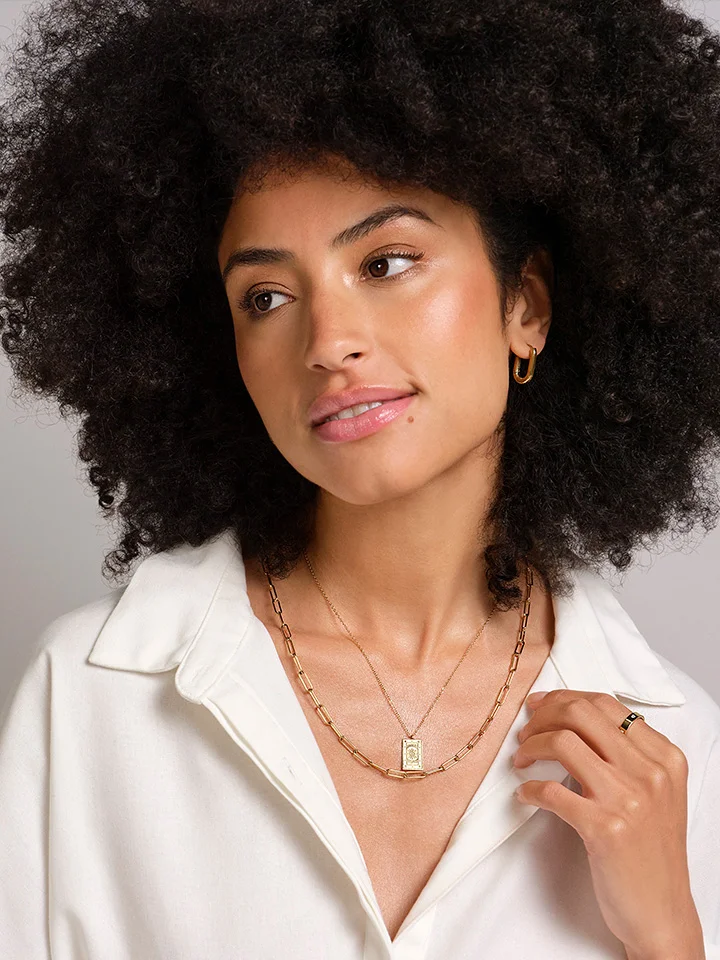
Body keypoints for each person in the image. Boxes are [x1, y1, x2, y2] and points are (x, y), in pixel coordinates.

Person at [0, 0, 719, 957]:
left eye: (386, 262)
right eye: (266, 296)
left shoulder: (672, 749)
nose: (328, 342)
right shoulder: (92, 699)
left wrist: (669, 935)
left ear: (527, 308)